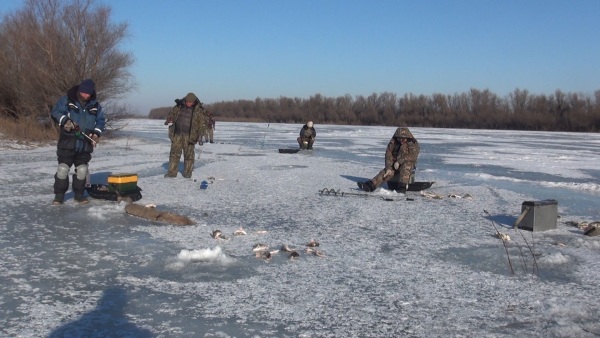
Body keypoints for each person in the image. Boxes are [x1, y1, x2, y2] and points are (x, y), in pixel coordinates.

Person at [50, 79, 105, 204]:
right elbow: (55, 112)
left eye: (89, 94)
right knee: (63, 169)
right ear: (80, 90)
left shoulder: (95, 105)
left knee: (82, 170)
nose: (86, 96)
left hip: (85, 143)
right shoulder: (67, 100)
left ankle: (79, 195)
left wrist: (96, 133)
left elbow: (101, 121)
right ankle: (59, 195)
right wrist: (65, 121)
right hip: (67, 142)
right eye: (84, 93)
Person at [357, 127, 420, 194]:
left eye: (403, 138)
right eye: (399, 138)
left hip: (408, 164)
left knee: (405, 166)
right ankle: (370, 185)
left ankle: (402, 186)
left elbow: (412, 156)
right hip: (395, 164)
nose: (401, 140)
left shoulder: (413, 143)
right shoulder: (394, 143)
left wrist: (399, 161)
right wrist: (388, 167)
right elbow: (388, 154)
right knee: (386, 173)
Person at [164, 92, 207, 178]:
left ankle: (187, 173)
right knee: (174, 154)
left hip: (190, 136)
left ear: (194, 101)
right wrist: (170, 118)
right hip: (177, 134)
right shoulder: (179, 106)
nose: (188, 103)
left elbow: (203, 123)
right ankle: (172, 173)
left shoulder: (199, 110)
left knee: (189, 156)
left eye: (190, 102)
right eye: (187, 101)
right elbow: (171, 114)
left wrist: (200, 134)